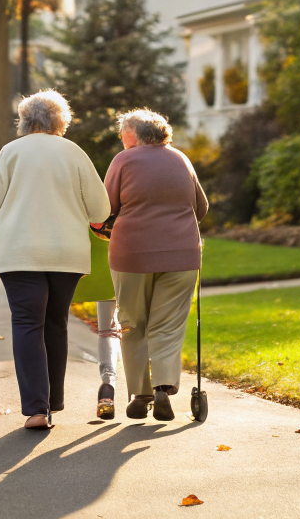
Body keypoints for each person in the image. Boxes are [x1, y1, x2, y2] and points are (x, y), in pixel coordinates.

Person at [0, 90, 110, 430]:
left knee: (26, 323)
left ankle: (37, 409)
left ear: (25, 120)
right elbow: (101, 210)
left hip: (18, 254)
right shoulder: (74, 152)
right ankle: (53, 402)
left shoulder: (11, 152)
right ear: (61, 120)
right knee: (55, 323)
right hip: (66, 255)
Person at [104, 108, 208, 421]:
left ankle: (141, 393)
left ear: (133, 134)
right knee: (167, 326)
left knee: (132, 323)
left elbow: (104, 208)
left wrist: (102, 225)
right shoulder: (180, 159)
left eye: (123, 132)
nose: (121, 138)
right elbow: (200, 207)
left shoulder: (123, 160)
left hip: (131, 255)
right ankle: (163, 387)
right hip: (182, 256)